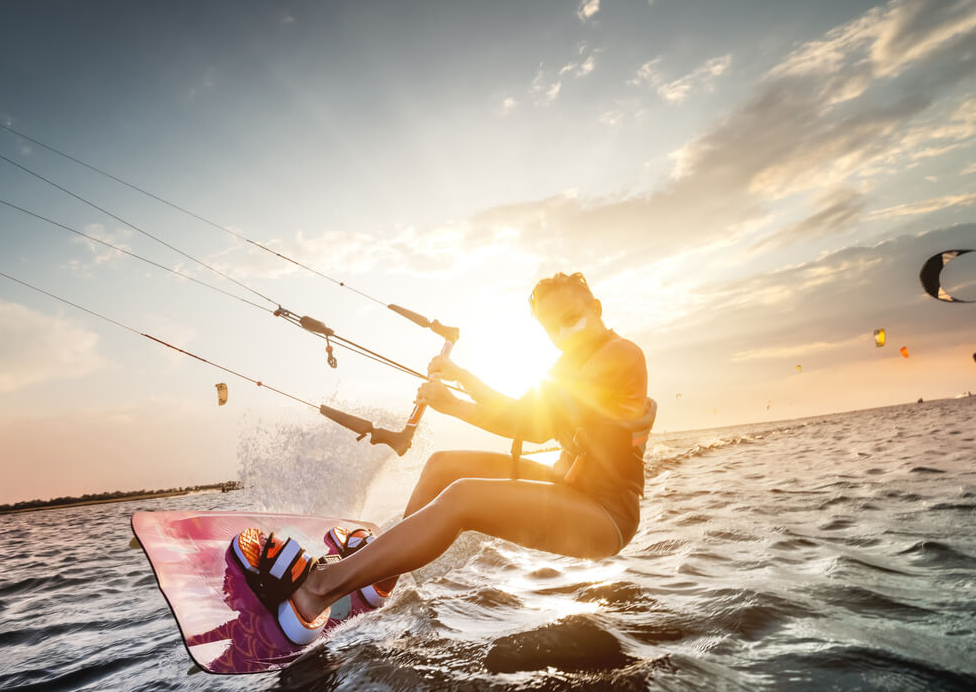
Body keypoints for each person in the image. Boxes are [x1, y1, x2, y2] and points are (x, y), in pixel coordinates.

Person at [232, 272, 657, 645]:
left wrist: (452, 403)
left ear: (597, 308)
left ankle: (316, 591)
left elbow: (532, 425)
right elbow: (525, 408)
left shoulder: (621, 355)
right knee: (443, 465)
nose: (564, 332)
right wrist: (461, 379)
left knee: (462, 499)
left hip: (605, 515)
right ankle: (379, 578)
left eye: (571, 317)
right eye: (552, 328)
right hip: (564, 485)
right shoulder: (569, 363)